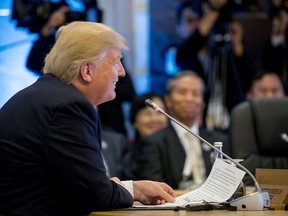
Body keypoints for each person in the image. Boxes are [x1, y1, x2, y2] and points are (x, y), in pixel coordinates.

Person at [0, 21, 176, 215]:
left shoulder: (47, 95)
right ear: (87, 71)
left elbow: (77, 184)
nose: (122, 72)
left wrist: (124, 187)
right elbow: (95, 195)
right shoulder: (69, 106)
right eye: (116, 61)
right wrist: (133, 190)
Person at [164, 0, 255, 130]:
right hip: (197, 123)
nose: (198, 25)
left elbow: (247, 80)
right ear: (179, 27)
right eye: (190, 21)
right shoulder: (175, 52)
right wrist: (214, 10)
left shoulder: (222, 50)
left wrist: (237, 44)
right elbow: (186, 53)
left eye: (199, 19)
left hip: (230, 123)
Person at [132, 71, 230, 190]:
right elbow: (155, 189)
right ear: (168, 100)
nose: (189, 98)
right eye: (182, 92)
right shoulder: (154, 143)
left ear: (203, 103)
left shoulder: (219, 140)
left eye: (195, 93)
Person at [123, 92, 168, 180]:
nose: (155, 119)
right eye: (147, 113)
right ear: (134, 121)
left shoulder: (176, 148)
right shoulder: (126, 155)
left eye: (159, 113)